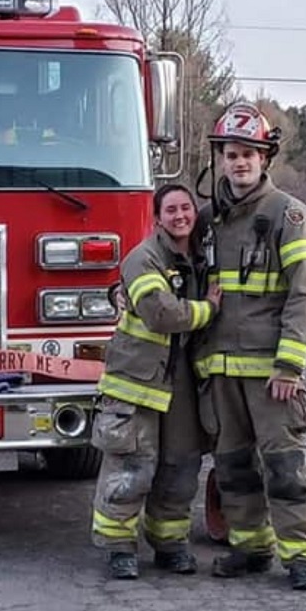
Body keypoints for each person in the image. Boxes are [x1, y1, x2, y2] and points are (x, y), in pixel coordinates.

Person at [195, 101, 306, 591]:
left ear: (266, 157)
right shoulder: (207, 219)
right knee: (232, 469)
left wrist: (290, 365)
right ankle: (250, 549)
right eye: (231, 153)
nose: (240, 162)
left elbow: (304, 294)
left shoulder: (289, 216)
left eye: (250, 153)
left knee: (286, 468)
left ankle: (302, 556)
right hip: (221, 373)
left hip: (273, 375)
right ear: (220, 158)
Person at [91, 183, 222, 579]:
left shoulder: (203, 257)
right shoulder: (143, 258)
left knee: (181, 468)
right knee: (132, 466)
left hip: (183, 379)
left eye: (186, 208)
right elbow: (160, 314)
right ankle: (118, 547)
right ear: (157, 218)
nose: (180, 215)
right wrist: (209, 309)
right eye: (171, 210)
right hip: (137, 379)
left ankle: (169, 543)